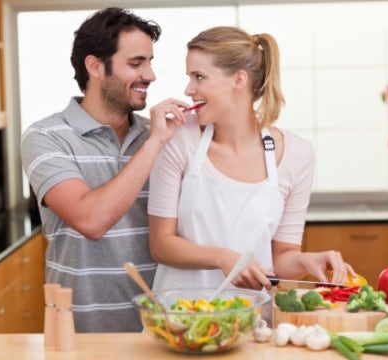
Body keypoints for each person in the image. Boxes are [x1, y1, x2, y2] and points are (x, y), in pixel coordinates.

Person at [148, 26, 355, 294]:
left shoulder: (296, 155)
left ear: (238, 80)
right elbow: (161, 244)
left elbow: (282, 257)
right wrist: (222, 258)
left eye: (199, 77)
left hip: (252, 320)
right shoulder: (178, 139)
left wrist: (307, 260)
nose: (189, 89)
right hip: (178, 320)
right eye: (190, 77)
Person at [20, 7, 189, 333]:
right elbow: (91, 220)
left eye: (150, 62)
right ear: (96, 67)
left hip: (163, 332)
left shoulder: (158, 133)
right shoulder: (45, 137)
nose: (151, 75)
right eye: (136, 63)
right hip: (82, 336)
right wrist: (154, 143)